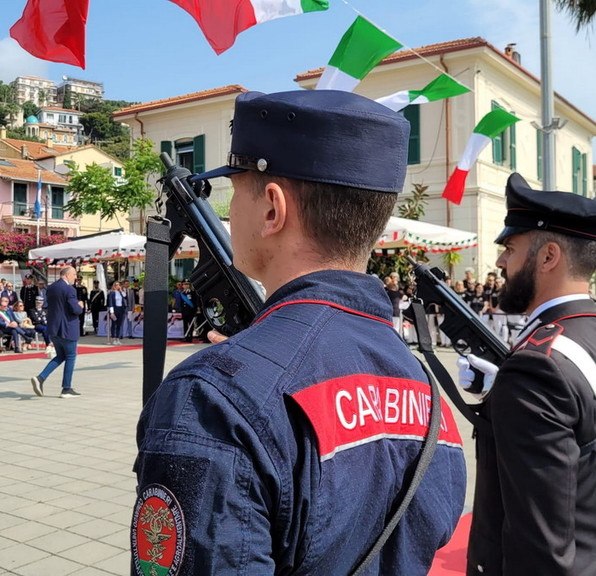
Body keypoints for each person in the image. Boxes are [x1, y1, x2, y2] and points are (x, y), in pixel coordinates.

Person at [133, 90, 465, 574]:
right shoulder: (421, 383)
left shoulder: (211, 398)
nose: (230, 210)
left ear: (272, 208)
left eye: (236, 188)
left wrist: (240, 377)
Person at [461, 173, 596, 575]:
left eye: (510, 249)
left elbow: (540, 543)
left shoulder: (537, 366)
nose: (500, 262)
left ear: (548, 257)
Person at [30, 266, 84, 399]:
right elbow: (75, 309)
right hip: (67, 328)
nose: (75, 277)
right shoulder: (69, 289)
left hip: (54, 328)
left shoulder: (51, 287)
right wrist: (80, 306)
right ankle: (66, 388)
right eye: (74, 274)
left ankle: (41, 378)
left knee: (60, 356)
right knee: (70, 356)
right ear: (66, 275)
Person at [106, 281, 126, 345]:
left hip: (120, 309)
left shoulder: (120, 293)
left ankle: (118, 338)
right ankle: (113, 339)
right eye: (116, 285)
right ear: (114, 286)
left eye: (119, 285)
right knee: (114, 324)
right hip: (115, 309)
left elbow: (125, 296)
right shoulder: (112, 293)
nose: (118, 286)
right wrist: (112, 312)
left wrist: (121, 290)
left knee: (119, 325)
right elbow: (111, 302)